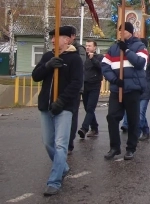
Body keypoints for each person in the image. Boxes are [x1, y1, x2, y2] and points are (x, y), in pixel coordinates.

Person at [32, 26, 83, 196]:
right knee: (48, 142)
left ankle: (54, 181)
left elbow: (76, 83)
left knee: (60, 144)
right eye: (52, 37)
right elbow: (36, 76)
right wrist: (47, 65)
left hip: (64, 108)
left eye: (57, 37)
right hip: (46, 106)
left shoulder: (75, 59)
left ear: (68, 39)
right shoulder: (48, 56)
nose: (53, 40)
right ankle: (64, 167)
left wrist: (61, 100)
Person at [101, 22, 148, 160]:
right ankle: (114, 147)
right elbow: (104, 65)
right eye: (119, 31)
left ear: (130, 32)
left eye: (123, 31)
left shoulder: (140, 46)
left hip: (133, 88)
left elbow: (140, 63)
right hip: (117, 88)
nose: (120, 33)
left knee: (133, 120)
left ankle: (131, 148)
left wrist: (127, 51)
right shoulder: (113, 48)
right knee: (112, 117)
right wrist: (114, 80)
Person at [123, 38, 150, 141]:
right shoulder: (133, 58)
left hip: (146, 89)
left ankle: (136, 134)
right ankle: (146, 131)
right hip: (135, 89)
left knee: (140, 113)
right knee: (139, 112)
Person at [64, 26, 86, 155]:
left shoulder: (79, 49)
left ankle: (69, 144)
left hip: (75, 88)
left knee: (72, 115)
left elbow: (80, 63)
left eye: (67, 37)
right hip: (63, 87)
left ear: (73, 37)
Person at [77, 40, 103, 139]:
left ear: (95, 47)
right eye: (86, 45)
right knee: (87, 108)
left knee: (91, 107)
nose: (87, 47)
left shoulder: (99, 57)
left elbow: (101, 67)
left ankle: (84, 128)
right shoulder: (84, 58)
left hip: (95, 85)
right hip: (85, 85)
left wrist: (93, 59)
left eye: (89, 46)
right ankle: (95, 127)